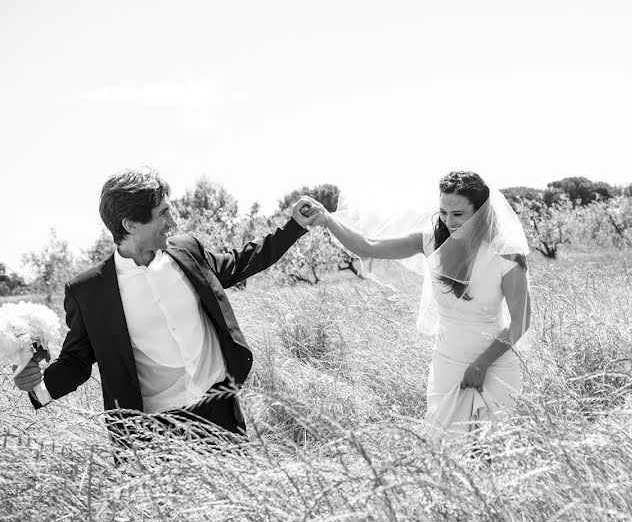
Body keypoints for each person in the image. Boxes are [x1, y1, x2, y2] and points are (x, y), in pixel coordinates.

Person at [13, 169, 318, 445]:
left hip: (221, 409)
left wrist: (294, 227)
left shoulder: (187, 251)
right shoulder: (89, 291)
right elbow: (77, 360)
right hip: (154, 432)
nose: (173, 222)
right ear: (131, 224)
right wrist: (38, 385)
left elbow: (239, 262)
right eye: (163, 214)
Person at [299, 170, 531, 445]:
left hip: (494, 364)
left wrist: (482, 364)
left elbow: (521, 321)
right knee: (444, 448)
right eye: (443, 212)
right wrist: (327, 219)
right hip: (447, 362)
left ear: (480, 211)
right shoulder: (431, 240)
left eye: (458, 214)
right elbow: (368, 246)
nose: (449, 221)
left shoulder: (505, 252)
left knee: (493, 452)